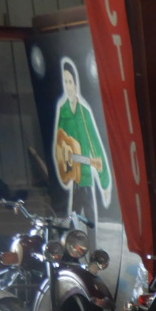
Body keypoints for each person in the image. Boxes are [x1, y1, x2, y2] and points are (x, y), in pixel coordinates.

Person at [52, 58, 111, 220]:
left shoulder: (84, 114)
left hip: (85, 177)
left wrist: (104, 182)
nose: (68, 86)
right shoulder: (63, 112)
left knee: (89, 219)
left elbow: (95, 146)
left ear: (76, 85)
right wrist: (64, 164)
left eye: (70, 82)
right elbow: (59, 145)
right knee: (74, 220)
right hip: (72, 177)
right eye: (65, 82)